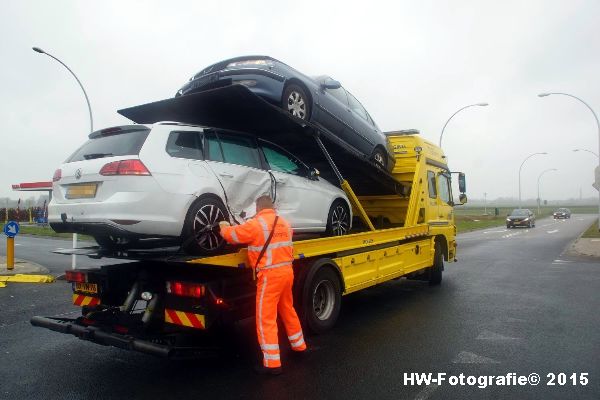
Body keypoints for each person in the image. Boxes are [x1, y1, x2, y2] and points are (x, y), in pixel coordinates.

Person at [219, 195, 306, 375]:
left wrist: (223, 228)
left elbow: (234, 236)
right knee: (288, 309)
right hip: (287, 272)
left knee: (265, 318)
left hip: (270, 276)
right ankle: (299, 346)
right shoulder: (284, 223)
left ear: (258, 208)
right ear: (272, 207)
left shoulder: (256, 224)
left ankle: (272, 363)